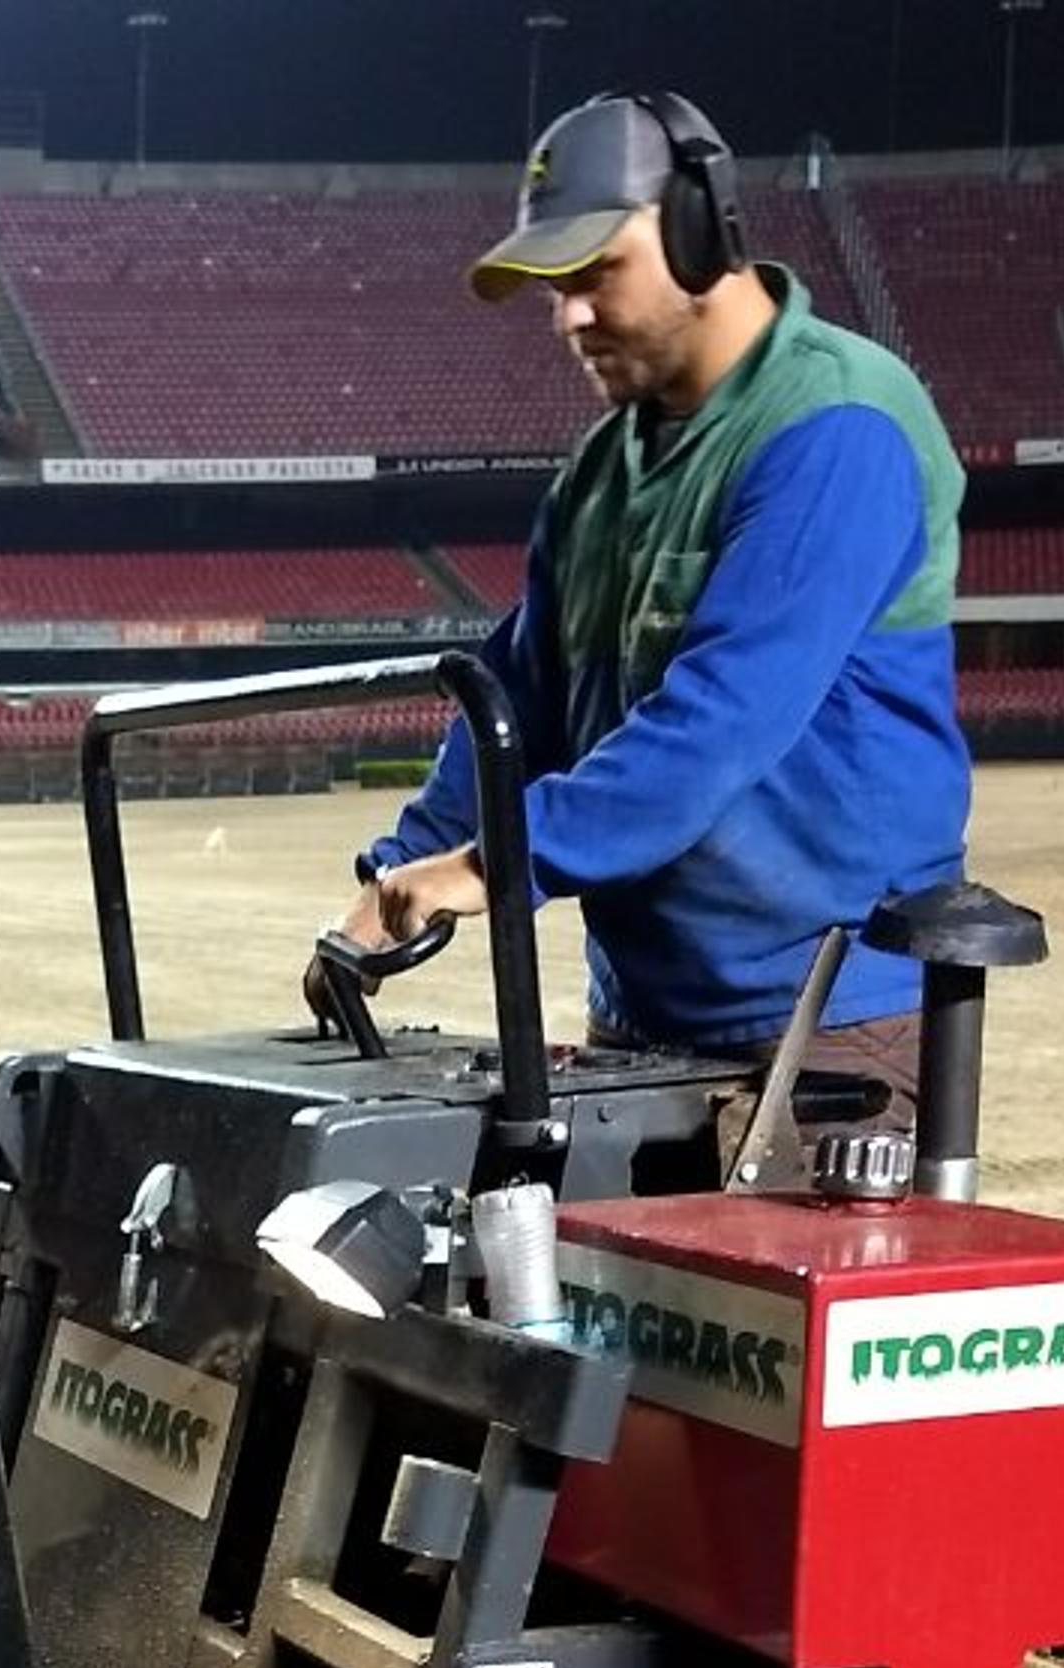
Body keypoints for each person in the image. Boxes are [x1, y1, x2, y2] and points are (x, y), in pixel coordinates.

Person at [336, 91, 970, 1154]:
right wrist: (393, 879)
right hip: (638, 1019)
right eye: (555, 286)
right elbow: (517, 702)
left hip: (822, 1030)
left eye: (595, 273)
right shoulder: (600, 470)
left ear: (696, 226)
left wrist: (493, 870)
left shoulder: (837, 426)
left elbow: (719, 722)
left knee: (748, 1323)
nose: (568, 315)